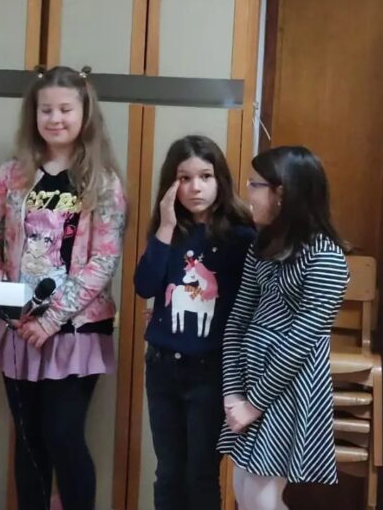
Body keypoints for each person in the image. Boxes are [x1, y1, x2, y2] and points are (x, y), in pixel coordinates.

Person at [0, 65, 126, 510]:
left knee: (63, 435)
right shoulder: (11, 175)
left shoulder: (103, 181)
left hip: (76, 329)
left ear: (85, 114)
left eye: (65, 109)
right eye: (46, 110)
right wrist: (5, 297)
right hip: (18, 328)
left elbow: (104, 259)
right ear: (33, 115)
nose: (55, 118)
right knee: (28, 440)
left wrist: (53, 318)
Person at [218, 146, 350, 510]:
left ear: (282, 193)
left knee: (261, 496)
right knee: (244, 488)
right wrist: (233, 392)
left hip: (288, 388)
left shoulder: (326, 257)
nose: (247, 192)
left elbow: (300, 342)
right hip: (250, 379)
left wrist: (254, 403)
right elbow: (238, 321)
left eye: (254, 184)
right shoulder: (262, 246)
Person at [134, 135, 255, 510]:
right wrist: (165, 226)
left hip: (212, 372)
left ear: (220, 180)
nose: (195, 187)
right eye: (184, 178)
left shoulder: (241, 237)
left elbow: (251, 305)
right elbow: (144, 286)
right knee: (168, 472)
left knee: (200, 474)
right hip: (163, 368)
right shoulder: (168, 232)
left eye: (205, 176)